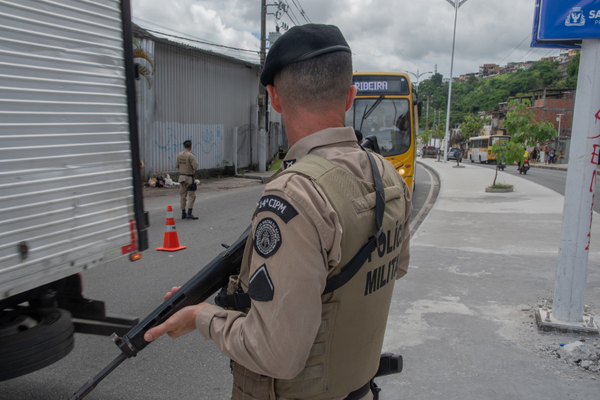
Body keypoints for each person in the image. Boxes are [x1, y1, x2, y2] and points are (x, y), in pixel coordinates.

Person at [144, 24, 412, 400]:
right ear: (350, 96)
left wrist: (199, 317)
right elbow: (393, 268)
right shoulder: (387, 175)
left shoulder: (294, 194)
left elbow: (277, 355)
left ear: (274, 97)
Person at [176, 140, 199, 220]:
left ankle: (183, 213)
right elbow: (195, 166)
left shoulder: (179, 155)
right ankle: (189, 212)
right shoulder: (190, 155)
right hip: (189, 178)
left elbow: (177, 165)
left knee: (183, 195)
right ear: (190, 146)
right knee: (192, 195)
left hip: (181, 177)